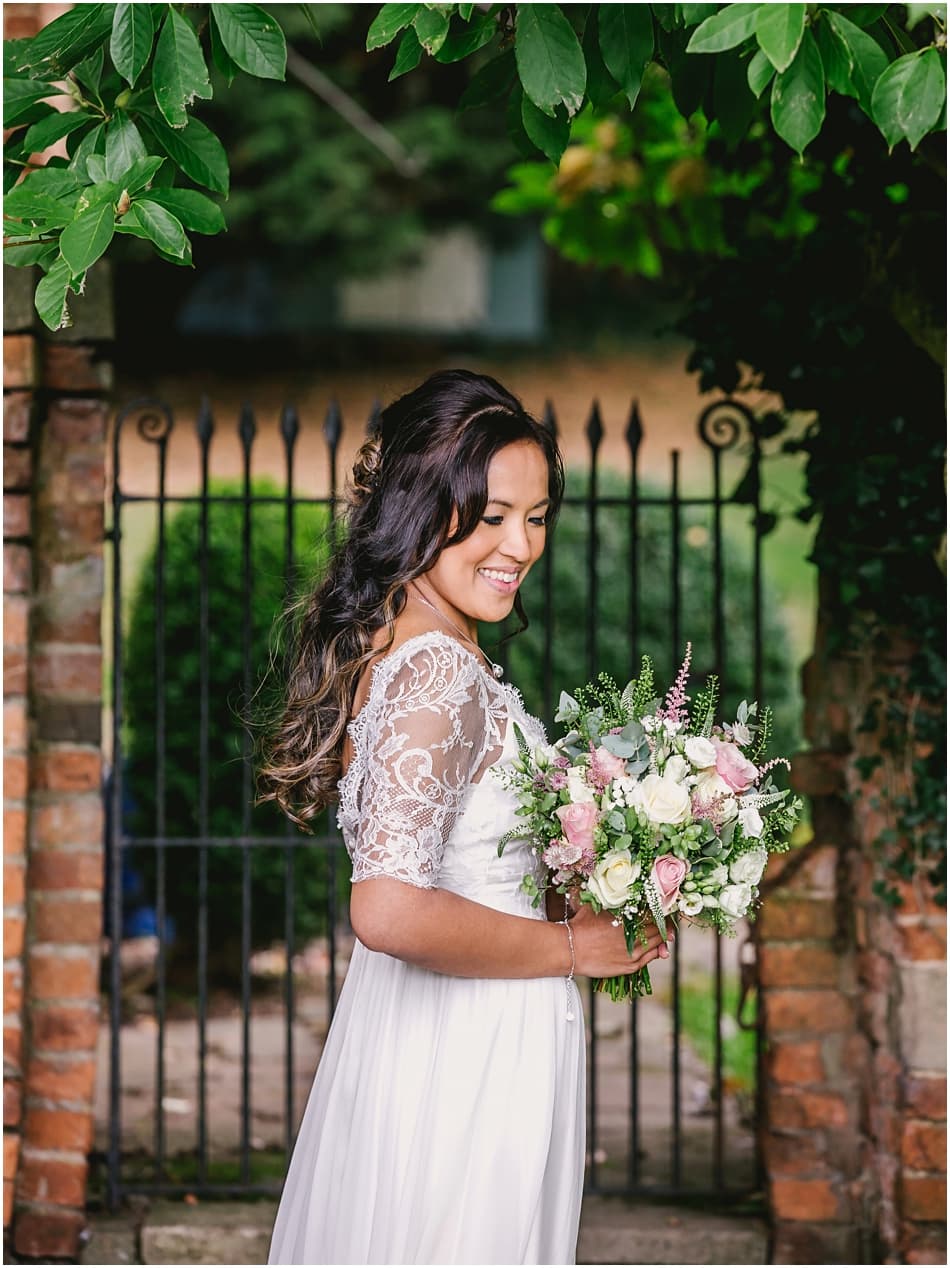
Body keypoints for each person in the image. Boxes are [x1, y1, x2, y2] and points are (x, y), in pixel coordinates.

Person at [259, 370, 671, 1266]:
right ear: (419, 511)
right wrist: (573, 947)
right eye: (490, 518)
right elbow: (388, 910)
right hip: (466, 1054)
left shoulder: (419, 646)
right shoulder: (437, 672)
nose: (520, 545)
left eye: (536, 514)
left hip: (457, 1035)